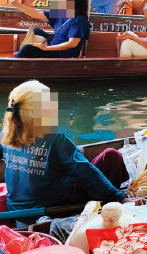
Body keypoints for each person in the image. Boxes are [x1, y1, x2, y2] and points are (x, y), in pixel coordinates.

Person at [0, 80, 130, 225]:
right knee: (112, 156)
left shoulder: (5, 134)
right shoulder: (54, 136)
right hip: (52, 208)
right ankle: (114, 207)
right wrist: (119, 197)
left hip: (17, 211)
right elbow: (85, 172)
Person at [9, 0, 91, 58]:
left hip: (64, 54)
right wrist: (17, 5)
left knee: (27, 48)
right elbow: (36, 13)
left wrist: (45, 48)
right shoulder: (63, 13)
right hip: (55, 44)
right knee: (36, 31)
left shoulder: (79, 20)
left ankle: (13, 63)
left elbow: (72, 44)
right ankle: (23, 56)